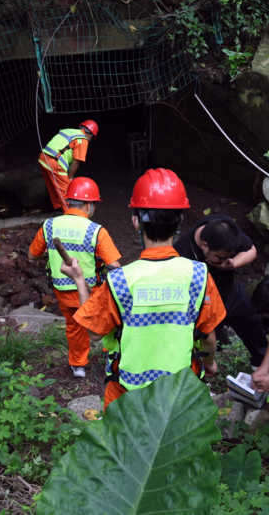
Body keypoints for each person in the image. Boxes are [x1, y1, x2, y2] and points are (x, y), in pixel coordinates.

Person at [58, 168, 226, 409]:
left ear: (136, 221)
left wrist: (79, 280)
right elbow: (208, 337)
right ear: (179, 221)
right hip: (180, 396)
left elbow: (94, 333)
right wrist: (209, 364)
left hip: (128, 398)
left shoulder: (120, 281)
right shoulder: (199, 276)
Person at [28, 177, 122, 378]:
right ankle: (110, 354)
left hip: (62, 292)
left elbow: (32, 255)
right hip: (91, 293)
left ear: (69, 201)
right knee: (104, 322)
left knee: (74, 325)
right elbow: (114, 266)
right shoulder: (96, 230)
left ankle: (78, 365)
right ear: (89, 205)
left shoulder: (49, 226)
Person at [174, 214, 268, 368]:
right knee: (203, 345)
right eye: (220, 257)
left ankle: (262, 366)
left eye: (228, 256)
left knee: (252, 318)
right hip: (205, 308)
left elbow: (251, 250)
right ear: (204, 246)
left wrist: (234, 263)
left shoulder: (225, 229)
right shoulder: (181, 255)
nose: (225, 260)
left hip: (229, 293)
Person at [38, 120, 98, 212]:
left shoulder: (69, 131)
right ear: (90, 135)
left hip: (43, 158)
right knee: (67, 192)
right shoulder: (82, 140)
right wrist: (70, 177)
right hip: (54, 163)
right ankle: (70, 214)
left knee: (54, 188)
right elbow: (76, 161)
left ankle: (59, 208)